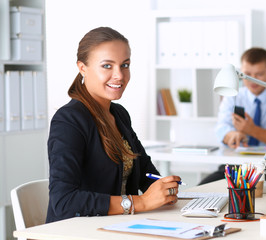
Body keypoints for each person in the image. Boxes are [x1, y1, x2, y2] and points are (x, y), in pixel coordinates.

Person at [46, 27, 181, 223]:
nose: (119, 75)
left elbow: (145, 173)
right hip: (79, 231)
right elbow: (64, 201)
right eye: (107, 66)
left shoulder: (118, 114)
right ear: (82, 67)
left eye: (124, 65)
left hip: (119, 226)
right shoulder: (68, 120)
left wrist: (165, 188)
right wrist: (140, 202)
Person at [199, 47, 266, 185]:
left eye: (259, 74)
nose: (253, 80)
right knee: (202, 188)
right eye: (247, 74)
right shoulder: (233, 95)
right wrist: (231, 135)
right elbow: (221, 127)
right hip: (236, 166)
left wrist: (252, 130)